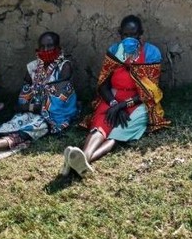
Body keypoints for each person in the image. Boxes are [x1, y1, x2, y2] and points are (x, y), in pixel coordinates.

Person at [0, 32, 78, 175]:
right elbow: (23, 97)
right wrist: (30, 106)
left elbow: (60, 99)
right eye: (43, 47)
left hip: (51, 118)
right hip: (30, 112)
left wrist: (33, 106)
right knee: (5, 129)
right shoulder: (33, 67)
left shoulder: (64, 66)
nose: (46, 50)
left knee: (19, 135)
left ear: (58, 47)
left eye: (50, 46)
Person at [61, 15, 169, 178]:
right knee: (100, 126)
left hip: (139, 101)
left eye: (133, 35)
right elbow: (103, 84)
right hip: (112, 97)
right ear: (120, 34)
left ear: (141, 34)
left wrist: (122, 106)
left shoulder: (151, 53)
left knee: (117, 134)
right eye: (125, 35)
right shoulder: (114, 51)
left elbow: (150, 91)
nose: (129, 39)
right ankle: (83, 158)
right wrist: (113, 103)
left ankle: (80, 161)